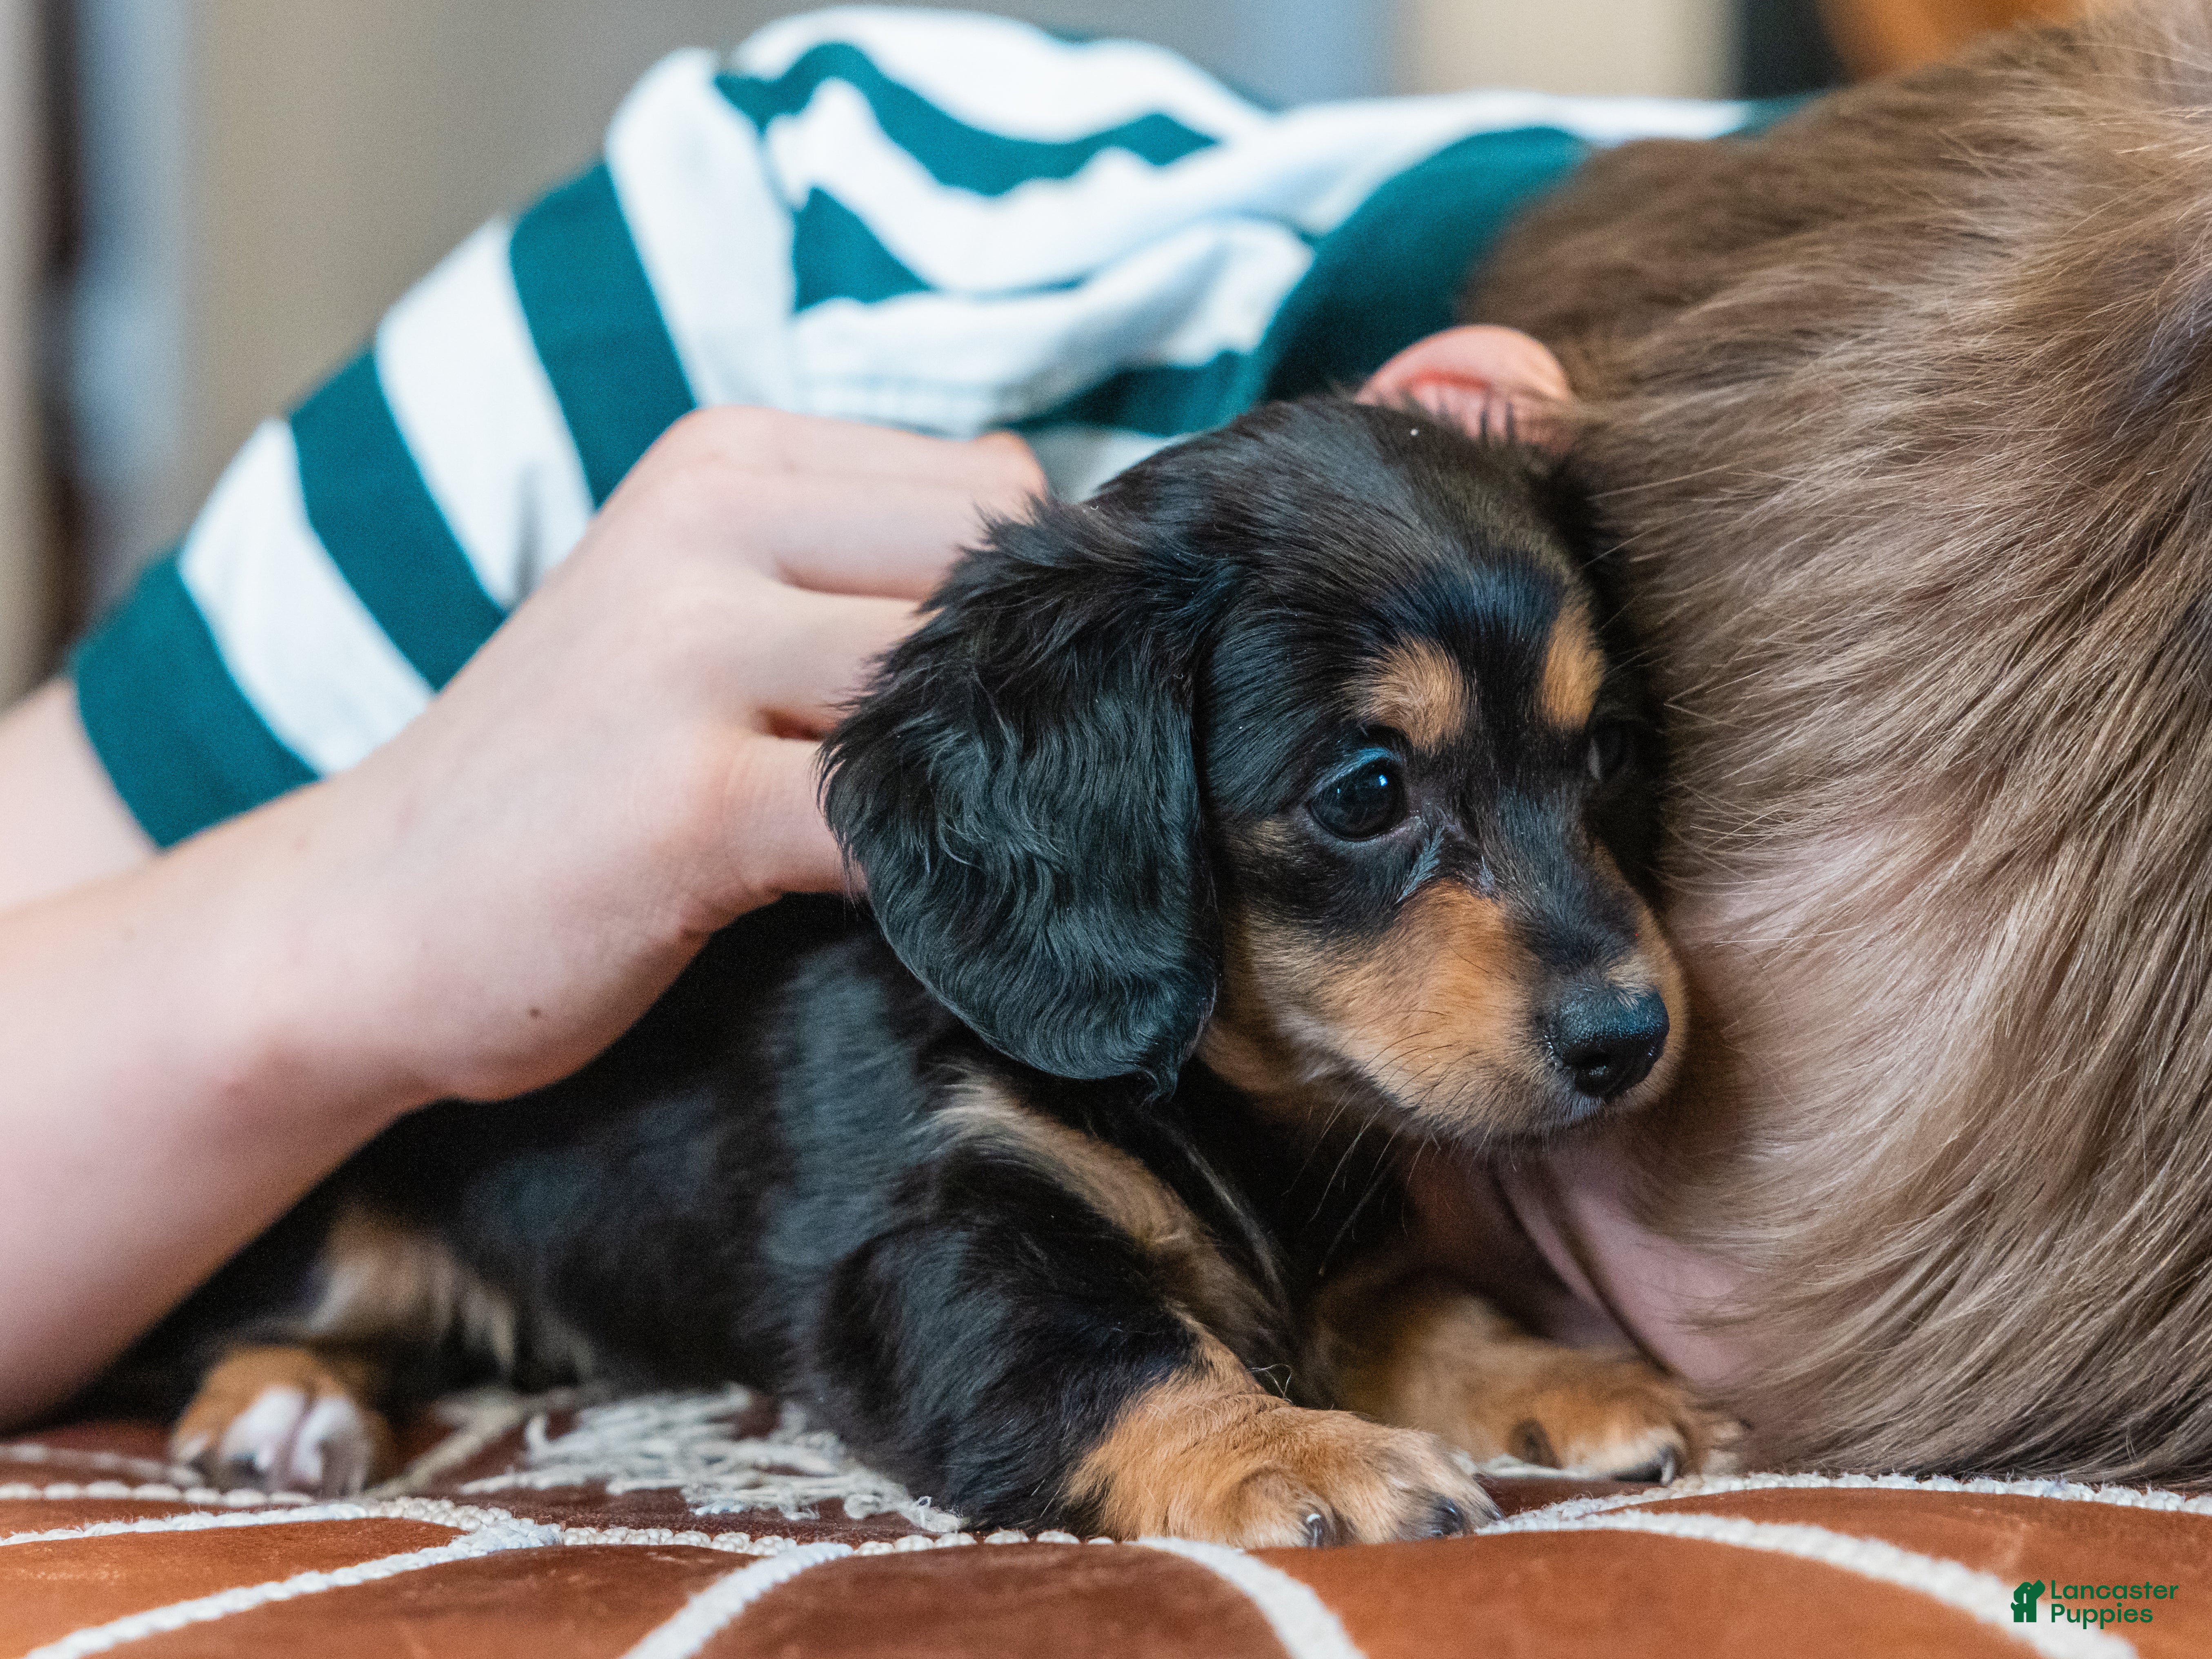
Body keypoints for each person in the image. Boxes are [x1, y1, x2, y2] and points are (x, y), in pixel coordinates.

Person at [0, 8, 1757, 1426]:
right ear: (1479, 420)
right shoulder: (721, 288)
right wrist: (341, 928)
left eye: (1596, 771)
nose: (1616, 991)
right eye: (1373, 789)